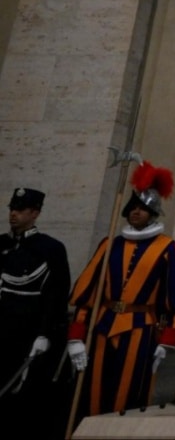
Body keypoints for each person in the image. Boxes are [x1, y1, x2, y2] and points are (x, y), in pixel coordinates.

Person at [66, 162, 175, 418]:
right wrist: (76, 338)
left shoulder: (171, 249)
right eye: (132, 208)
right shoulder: (110, 245)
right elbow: (88, 295)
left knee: (129, 394)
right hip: (102, 326)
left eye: (142, 208)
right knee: (92, 391)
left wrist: (168, 340)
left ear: (153, 212)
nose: (136, 212)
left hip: (141, 328)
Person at [1, 187, 71, 438]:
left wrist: (45, 333)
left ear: (35, 213)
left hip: (29, 333)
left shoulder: (50, 248)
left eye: (20, 210)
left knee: (23, 397)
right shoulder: (2, 244)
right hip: (2, 331)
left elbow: (57, 295)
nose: (13, 214)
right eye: (12, 209)